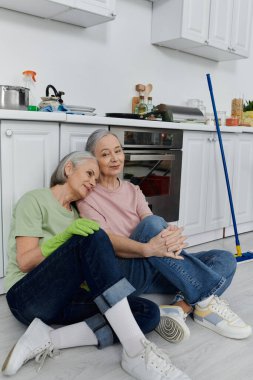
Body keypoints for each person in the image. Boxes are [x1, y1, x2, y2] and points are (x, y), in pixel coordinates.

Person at [1, 151, 191, 380]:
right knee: (95, 235)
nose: (93, 182)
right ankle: (136, 352)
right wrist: (64, 240)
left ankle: (49, 339)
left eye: (96, 178)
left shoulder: (76, 216)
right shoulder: (35, 200)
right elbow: (25, 261)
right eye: (89, 174)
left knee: (147, 313)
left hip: (65, 301)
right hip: (27, 298)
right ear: (69, 168)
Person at [77, 129, 252, 344]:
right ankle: (206, 301)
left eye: (118, 151)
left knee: (225, 259)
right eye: (105, 154)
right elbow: (104, 243)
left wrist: (170, 233)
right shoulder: (88, 196)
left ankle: (180, 308)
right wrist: (148, 247)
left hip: (155, 262)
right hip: (126, 272)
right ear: (92, 160)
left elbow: (152, 220)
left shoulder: (133, 189)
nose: (115, 158)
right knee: (152, 225)